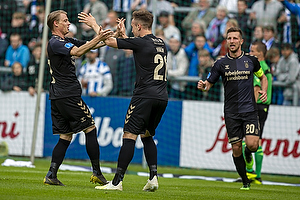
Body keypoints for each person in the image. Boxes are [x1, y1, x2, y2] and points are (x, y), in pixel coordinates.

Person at [79, 9, 168, 191]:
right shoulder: (160, 43)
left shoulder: (141, 42)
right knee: (147, 135)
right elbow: (138, 47)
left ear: (139, 26)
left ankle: (117, 182)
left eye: (133, 27)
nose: (132, 30)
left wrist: (94, 25)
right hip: (161, 96)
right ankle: (153, 178)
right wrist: (125, 35)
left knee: (129, 135)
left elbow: (109, 41)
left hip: (144, 96)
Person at [43, 10, 113, 186]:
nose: (68, 23)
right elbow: (78, 53)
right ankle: (97, 172)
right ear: (55, 24)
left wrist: (111, 35)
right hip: (67, 95)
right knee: (90, 128)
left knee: (66, 135)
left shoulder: (66, 41)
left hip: (58, 95)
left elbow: (91, 46)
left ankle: (51, 175)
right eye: (65, 21)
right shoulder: (55, 42)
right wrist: (99, 37)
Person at [197, 27, 268, 190]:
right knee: (236, 148)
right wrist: (203, 86)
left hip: (250, 110)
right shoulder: (220, 63)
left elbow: (262, 76)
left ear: (241, 41)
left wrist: (263, 89)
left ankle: (249, 154)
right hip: (231, 112)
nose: (232, 41)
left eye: (235, 38)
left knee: (252, 145)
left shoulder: (252, 60)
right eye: (229, 38)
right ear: (226, 41)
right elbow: (208, 84)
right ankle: (245, 181)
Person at [246, 41, 272, 184]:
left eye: (252, 51)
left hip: (256, 106)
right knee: (258, 140)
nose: (250, 54)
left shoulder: (258, 67)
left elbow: (256, 88)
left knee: (248, 140)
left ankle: (250, 174)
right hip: (264, 107)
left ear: (260, 54)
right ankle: (257, 176)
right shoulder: (266, 66)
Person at [167, 34, 189, 99]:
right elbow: (166, 67)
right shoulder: (169, 54)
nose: (173, 44)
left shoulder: (183, 53)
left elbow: (181, 71)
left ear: (179, 43)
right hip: (172, 86)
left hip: (183, 87)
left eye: (175, 42)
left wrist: (168, 73)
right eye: (171, 42)